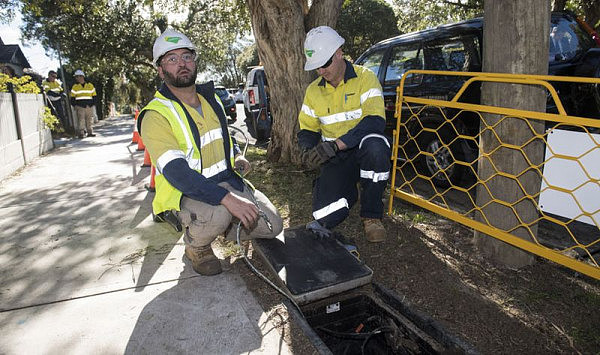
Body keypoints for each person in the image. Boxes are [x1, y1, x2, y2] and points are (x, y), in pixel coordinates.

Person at [138, 28, 283, 276]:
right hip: (187, 192)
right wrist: (228, 199)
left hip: (226, 181)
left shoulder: (211, 98)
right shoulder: (155, 115)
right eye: (171, 59)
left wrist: (236, 154)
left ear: (195, 61)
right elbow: (177, 173)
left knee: (274, 225)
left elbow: (224, 136)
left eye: (186, 56)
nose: (181, 64)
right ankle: (197, 246)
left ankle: (226, 225)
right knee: (221, 209)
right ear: (161, 70)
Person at [297, 26, 391, 243]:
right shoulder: (313, 91)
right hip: (336, 158)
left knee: (376, 147)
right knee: (323, 217)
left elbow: (375, 121)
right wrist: (307, 150)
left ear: (339, 53)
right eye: (316, 66)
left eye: (325, 64)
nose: (321, 71)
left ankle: (371, 216)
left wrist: (338, 144)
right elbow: (308, 129)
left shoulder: (366, 78)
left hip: (363, 150)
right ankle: (349, 192)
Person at [70, 69, 97, 138]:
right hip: (80, 106)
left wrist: (93, 104)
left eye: (77, 77)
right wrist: (74, 105)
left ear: (81, 76)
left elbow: (94, 96)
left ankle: (90, 132)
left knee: (89, 119)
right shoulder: (75, 87)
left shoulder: (90, 85)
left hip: (89, 105)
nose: (76, 78)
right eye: (75, 77)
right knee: (81, 120)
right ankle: (81, 133)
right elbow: (72, 97)